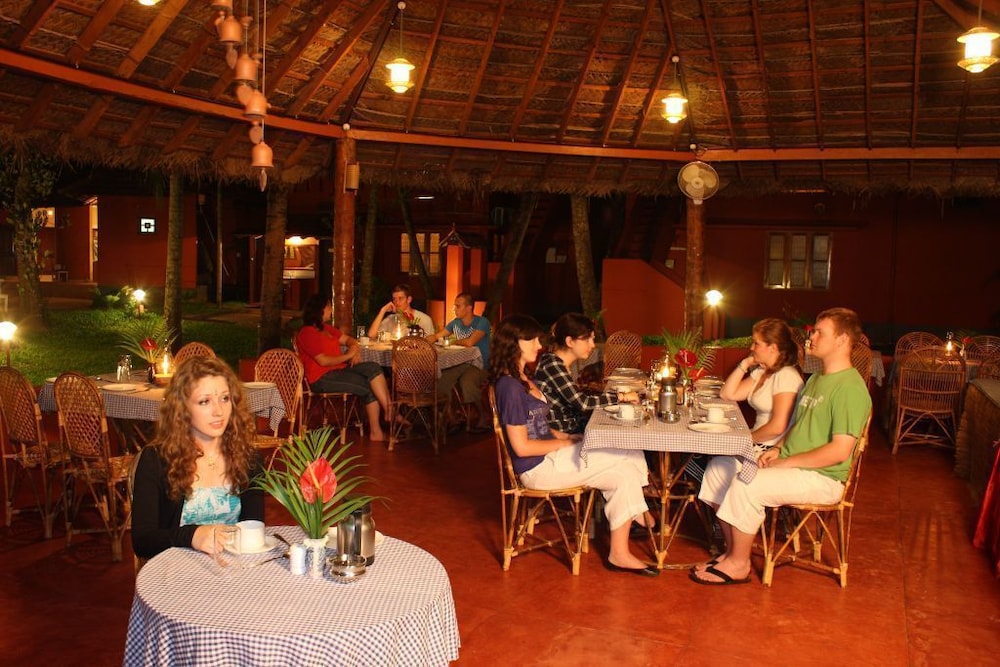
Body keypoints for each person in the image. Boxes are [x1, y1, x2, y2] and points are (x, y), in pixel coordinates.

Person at [690, 307, 871, 585]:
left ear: (842, 340)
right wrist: (777, 449)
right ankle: (731, 552)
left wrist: (785, 461)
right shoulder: (817, 379)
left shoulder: (849, 387)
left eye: (819, 332)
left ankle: (739, 564)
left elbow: (839, 451)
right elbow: (797, 425)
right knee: (717, 470)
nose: (811, 337)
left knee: (747, 482)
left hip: (823, 477)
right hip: (794, 465)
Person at [490, 314, 658, 577]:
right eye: (532, 340)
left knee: (623, 473)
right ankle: (639, 513)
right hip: (537, 469)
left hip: (551, 457)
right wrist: (562, 444)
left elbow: (542, 428)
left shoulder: (523, 378)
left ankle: (619, 553)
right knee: (625, 451)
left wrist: (570, 439)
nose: (539, 345)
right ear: (515, 343)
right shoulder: (509, 387)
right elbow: (522, 448)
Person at [131, 356, 263, 560]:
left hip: (235, 567)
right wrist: (191, 536)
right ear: (183, 408)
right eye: (204, 401)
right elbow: (143, 541)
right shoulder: (156, 460)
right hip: (175, 570)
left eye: (225, 398)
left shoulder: (248, 458)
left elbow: (254, 528)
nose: (219, 411)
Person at [297, 294, 391, 442]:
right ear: (320, 309)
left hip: (338, 370)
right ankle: (377, 432)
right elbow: (323, 361)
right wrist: (348, 356)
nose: (331, 310)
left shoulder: (326, 328)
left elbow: (349, 340)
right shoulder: (307, 332)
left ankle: (389, 410)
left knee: (373, 367)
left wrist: (354, 350)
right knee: (368, 385)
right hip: (321, 378)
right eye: (329, 307)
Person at [535, 312, 639, 435]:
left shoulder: (556, 362)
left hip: (574, 425)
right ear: (570, 341)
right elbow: (583, 403)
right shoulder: (552, 364)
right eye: (587, 339)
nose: (592, 345)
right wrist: (622, 397)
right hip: (564, 433)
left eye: (593, 339)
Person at [719, 317, 803, 453]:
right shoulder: (762, 372)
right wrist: (745, 363)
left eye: (756, 343)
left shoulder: (786, 375)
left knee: (714, 459)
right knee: (709, 453)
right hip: (756, 441)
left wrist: (745, 441)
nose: (751, 348)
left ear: (772, 348)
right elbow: (727, 394)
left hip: (770, 448)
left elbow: (777, 427)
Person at [427, 292, 492, 431]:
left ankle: (483, 415)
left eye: (458, 306)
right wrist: (427, 339)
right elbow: (438, 336)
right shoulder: (455, 323)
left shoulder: (482, 322)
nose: (454, 309)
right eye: (454, 306)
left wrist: (452, 341)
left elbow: (470, 342)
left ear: (469, 308)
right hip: (461, 362)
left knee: (467, 382)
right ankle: (453, 419)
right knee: (441, 381)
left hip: (479, 364)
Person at [368, 283, 435, 339]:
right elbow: (371, 335)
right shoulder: (390, 319)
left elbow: (430, 342)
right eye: (394, 299)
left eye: (400, 298)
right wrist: (382, 311)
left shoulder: (424, 319)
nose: (397, 302)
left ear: (409, 300)